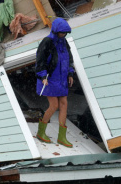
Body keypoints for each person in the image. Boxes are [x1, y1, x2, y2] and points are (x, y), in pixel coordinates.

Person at [35, 17, 75, 147]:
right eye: (61, 32)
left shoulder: (64, 42)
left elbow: (69, 58)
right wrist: (42, 76)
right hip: (49, 78)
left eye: (65, 33)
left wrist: (70, 73)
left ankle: (61, 137)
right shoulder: (47, 41)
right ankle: (41, 132)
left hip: (62, 78)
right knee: (54, 106)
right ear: (56, 31)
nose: (63, 35)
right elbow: (40, 59)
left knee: (64, 104)